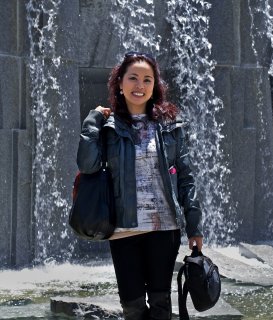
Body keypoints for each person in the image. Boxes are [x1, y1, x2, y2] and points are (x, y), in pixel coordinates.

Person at [77, 51, 203, 320]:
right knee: (132, 307)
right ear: (120, 83)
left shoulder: (169, 126)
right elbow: (87, 165)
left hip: (163, 228)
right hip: (123, 228)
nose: (140, 85)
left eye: (147, 79)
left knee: (160, 304)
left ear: (154, 86)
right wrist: (93, 120)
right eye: (133, 78)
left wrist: (194, 226)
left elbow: (185, 177)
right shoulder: (109, 127)